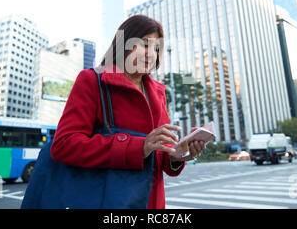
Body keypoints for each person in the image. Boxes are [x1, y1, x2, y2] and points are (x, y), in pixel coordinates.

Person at [50, 15, 206, 209]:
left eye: (157, 49)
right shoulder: (92, 80)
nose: (151, 54)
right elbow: (64, 145)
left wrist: (179, 154)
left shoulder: (158, 93)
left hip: (152, 202)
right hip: (106, 200)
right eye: (144, 44)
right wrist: (138, 147)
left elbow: (160, 155)